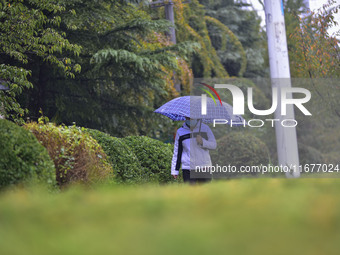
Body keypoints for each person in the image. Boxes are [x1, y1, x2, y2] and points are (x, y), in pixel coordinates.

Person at [171, 117, 216, 184]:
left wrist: (203, 142)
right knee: (191, 193)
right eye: (188, 118)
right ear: (185, 117)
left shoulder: (205, 128)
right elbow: (177, 151)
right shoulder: (180, 132)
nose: (190, 120)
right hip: (188, 168)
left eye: (192, 118)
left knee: (205, 193)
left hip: (204, 167)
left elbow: (213, 145)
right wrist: (175, 170)